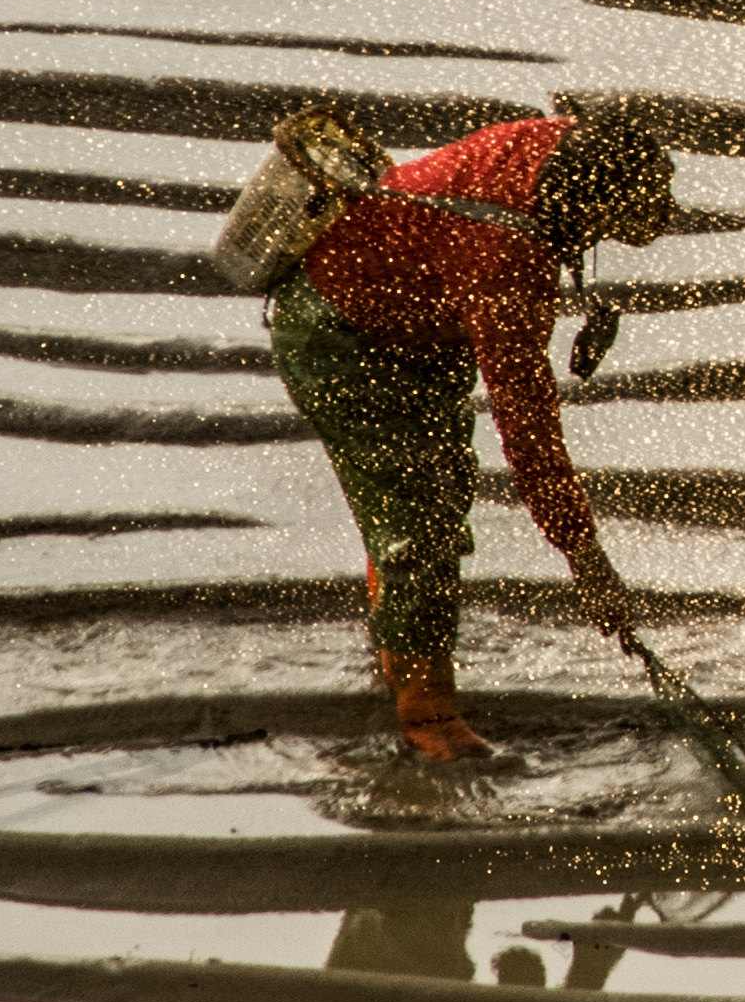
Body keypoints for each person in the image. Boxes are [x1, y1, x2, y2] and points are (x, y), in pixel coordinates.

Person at [271, 109, 678, 758]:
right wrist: (586, 556)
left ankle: (395, 645)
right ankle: (428, 720)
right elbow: (528, 425)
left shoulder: (558, 145)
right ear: (591, 197)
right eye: (640, 203)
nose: (662, 214)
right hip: (339, 336)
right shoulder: (506, 262)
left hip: (406, 321)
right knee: (421, 527)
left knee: (430, 493)